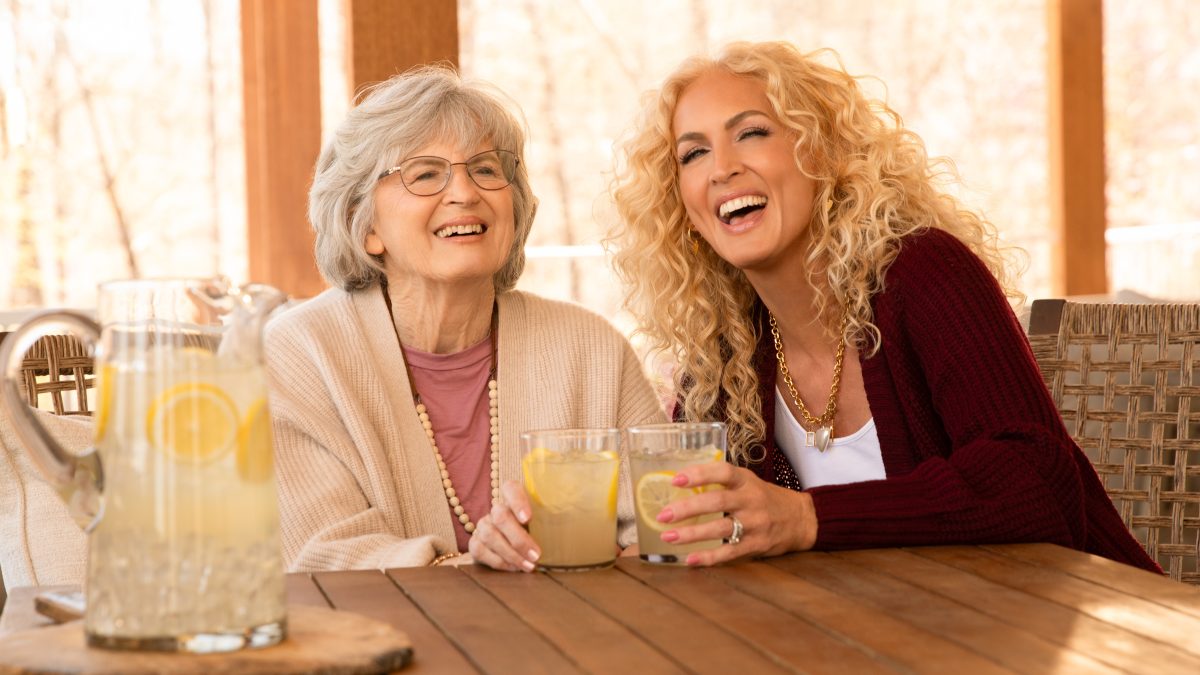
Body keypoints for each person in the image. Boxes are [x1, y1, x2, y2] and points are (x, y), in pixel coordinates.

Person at [609, 41, 1160, 572]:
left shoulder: (924, 272)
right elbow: (702, 526)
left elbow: (1038, 484)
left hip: (1082, 628)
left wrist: (806, 518)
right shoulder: (724, 346)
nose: (720, 168)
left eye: (751, 133)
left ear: (819, 152)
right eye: (694, 153)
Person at [265, 65, 666, 572]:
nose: (465, 193)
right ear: (365, 226)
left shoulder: (590, 348)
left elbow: (662, 532)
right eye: (426, 173)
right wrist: (471, 565)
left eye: (485, 169)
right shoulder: (300, 355)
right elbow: (319, 554)